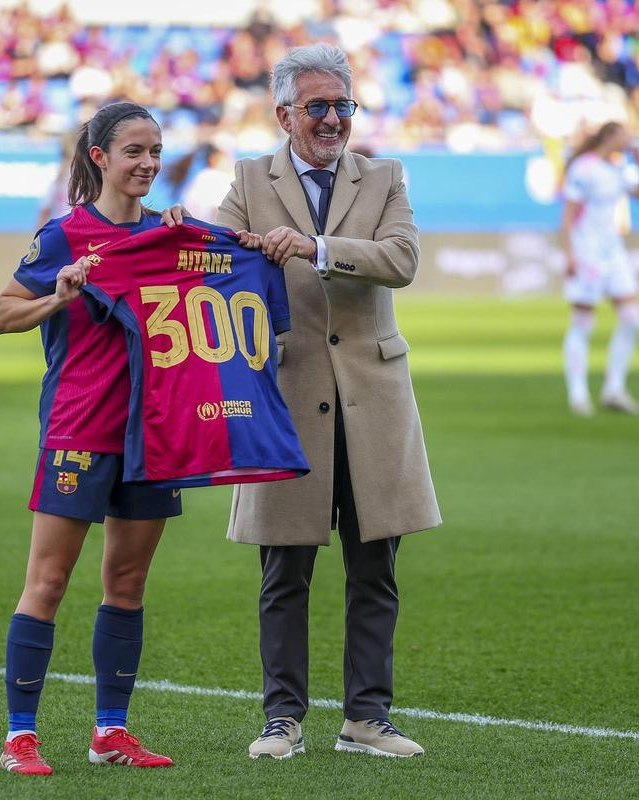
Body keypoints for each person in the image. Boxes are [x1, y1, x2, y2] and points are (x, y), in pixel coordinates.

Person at [215, 43, 442, 761]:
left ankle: (367, 719)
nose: (333, 119)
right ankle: (281, 720)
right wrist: (205, 242)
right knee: (285, 572)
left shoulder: (385, 176)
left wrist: (315, 247)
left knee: (375, 567)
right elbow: (215, 263)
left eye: (343, 105)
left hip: (374, 400)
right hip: (288, 397)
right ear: (283, 114)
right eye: (318, 106)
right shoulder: (250, 178)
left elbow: (401, 260)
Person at [0, 101, 184, 776]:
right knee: (48, 581)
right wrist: (60, 298)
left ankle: (111, 732)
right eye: (134, 151)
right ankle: (20, 737)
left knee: (126, 582)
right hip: (79, 430)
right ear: (100, 158)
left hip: (151, 434)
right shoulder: (64, 236)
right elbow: (1, 314)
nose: (148, 164)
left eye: (156, 151)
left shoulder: (168, 234)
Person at [558, 121, 639, 416]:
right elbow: (569, 215)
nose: (629, 140)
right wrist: (570, 253)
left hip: (613, 251)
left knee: (633, 318)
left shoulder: (615, 168)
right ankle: (578, 394)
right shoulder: (584, 169)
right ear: (610, 137)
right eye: (625, 135)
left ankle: (614, 388)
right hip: (588, 252)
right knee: (583, 322)